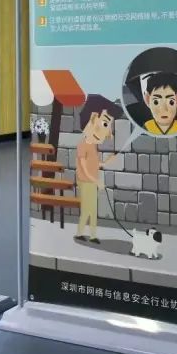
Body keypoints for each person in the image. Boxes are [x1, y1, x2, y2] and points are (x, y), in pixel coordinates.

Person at [74, 94, 123, 243]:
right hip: (86, 181)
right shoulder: (83, 145)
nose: (108, 133)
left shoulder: (93, 146)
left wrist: (107, 161)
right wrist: (96, 181)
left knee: (92, 209)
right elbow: (84, 168)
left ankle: (93, 235)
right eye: (105, 124)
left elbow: (96, 165)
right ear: (92, 119)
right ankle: (80, 233)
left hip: (91, 181)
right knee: (87, 209)